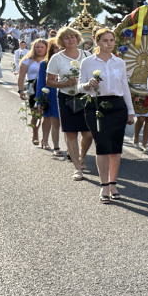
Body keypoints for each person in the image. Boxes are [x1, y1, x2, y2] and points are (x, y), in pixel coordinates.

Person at [79, 28, 137, 203]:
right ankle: (104, 185)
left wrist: (131, 111)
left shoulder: (119, 62)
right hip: (96, 106)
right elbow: (79, 88)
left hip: (117, 107)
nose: (109, 44)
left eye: (111, 40)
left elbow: (124, 87)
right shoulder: (88, 62)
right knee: (102, 146)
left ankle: (113, 183)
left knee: (115, 148)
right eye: (105, 40)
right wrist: (88, 84)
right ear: (97, 42)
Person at [46, 27, 93, 181]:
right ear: (61, 41)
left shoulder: (87, 55)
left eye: (73, 36)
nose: (70, 39)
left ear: (78, 38)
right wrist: (65, 83)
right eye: (66, 38)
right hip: (67, 98)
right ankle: (77, 168)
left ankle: (81, 156)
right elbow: (49, 81)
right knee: (71, 133)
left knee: (88, 133)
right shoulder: (57, 58)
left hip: (85, 97)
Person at [17, 38, 48, 146]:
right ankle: (35, 133)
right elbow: (21, 76)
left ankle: (45, 139)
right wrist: (21, 90)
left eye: (42, 47)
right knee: (36, 114)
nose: (39, 49)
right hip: (33, 88)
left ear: (46, 48)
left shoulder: (50, 59)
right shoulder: (28, 60)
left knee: (47, 115)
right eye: (37, 47)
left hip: (47, 87)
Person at [35, 39, 63, 156]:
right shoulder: (44, 63)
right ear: (51, 49)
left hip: (62, 92)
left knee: (60, 121)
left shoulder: (66, 61)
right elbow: (40, 82)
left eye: (60, 48)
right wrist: (40, 99)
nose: (58, 50)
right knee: (48, 118)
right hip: (49, 93)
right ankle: (45, 140)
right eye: (56, 48)